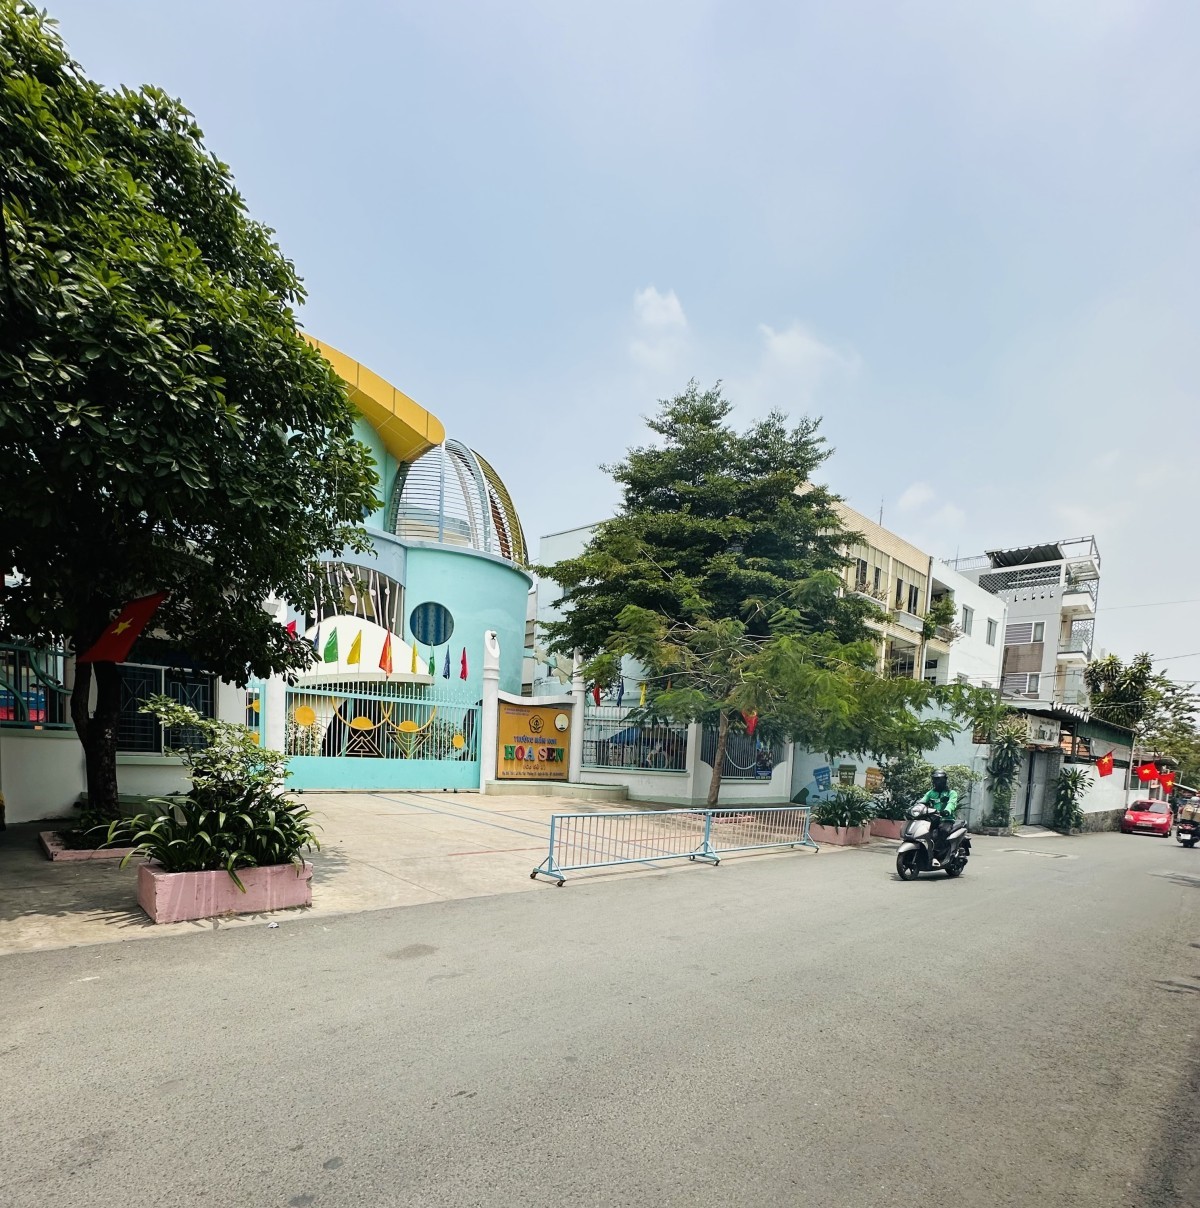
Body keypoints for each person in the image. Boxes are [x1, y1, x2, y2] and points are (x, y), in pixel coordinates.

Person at [921, 769, 959, 859]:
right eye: (935, 779)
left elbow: (951, 803)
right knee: (923, 831)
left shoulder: (951, 793)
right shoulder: (931, 793)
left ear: (945, 780)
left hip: (946, 819)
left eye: (940, 779)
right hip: (933, 819)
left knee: (942, 831)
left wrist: (947, 810)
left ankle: (939, 854)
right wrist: (915, 808)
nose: (937, 782)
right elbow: (922, 802)